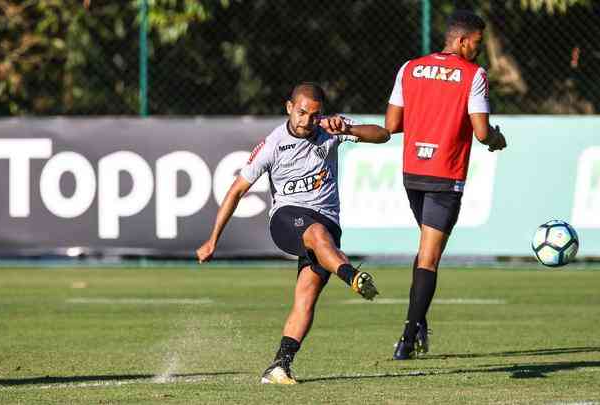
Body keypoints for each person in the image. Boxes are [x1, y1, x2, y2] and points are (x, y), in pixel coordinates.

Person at [196, 82, 389, 384]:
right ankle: (351, 275)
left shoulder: (330, 130)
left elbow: (383, 135)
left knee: (306, 298)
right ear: (289, 107)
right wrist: (212, 240)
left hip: (327, 223)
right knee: (315, 233)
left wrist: (348, 130)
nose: (307, 121)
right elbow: (236, 191)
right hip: (287, 219)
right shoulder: (272, 144)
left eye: (314, 115)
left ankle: (279, 366)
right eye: (301, 113)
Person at [384, 10, 507, 360]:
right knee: (430, 256)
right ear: (462, 40)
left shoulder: (409, 68)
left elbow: (392, 123)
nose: (479, 51)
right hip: (445, 174)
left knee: (425, 249)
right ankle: (408, 339)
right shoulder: (474, 75)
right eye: (478, 44)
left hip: (412, 173)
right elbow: (482, 132)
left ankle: (417, 320)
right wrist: (496, 139)